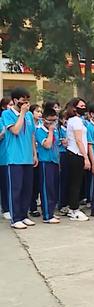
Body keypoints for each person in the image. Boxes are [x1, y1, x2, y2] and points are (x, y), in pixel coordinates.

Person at [1, 87, 38, 229]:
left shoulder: (29, 116)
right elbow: (15, 130)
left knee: (27, 188)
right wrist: (22, 114)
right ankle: (15, 218)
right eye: (23, 101)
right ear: (15, 100)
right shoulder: (7, 114)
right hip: (14, 158)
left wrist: (34, 154)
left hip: (28, 157)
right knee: (15, 189)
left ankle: (24, 215)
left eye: (28, 100)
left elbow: (32, 135)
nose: (26, 104)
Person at [64, 97, 90, 221]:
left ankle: (73, 207)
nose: (83, 108)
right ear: (74, 108)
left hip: (76, 153)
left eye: (84, 105)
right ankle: (74, 209)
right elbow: (79, 140)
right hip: (76, 154)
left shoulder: (78, 120)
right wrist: (86, 158)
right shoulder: (75, 121)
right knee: (75, 183)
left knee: (77, 182)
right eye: (81, 106)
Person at [35, 106, 60, 223]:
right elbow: (47, 145)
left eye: (55, 120)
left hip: (54, 161)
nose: (53, 123)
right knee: (46, 188)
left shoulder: (55, 130)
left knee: (54, 188)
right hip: (45, 162)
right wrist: (50, 131)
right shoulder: (40, 131)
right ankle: (46, 215)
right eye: (50, 121)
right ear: (44, 119)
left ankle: (51, 211)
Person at [28, 103, 43, 218]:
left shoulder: (42, 125)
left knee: (39, 183)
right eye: (37, 111)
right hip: (31, 156)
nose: (40, 114)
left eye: (40, 112)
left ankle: (40, 205)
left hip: (41, 156)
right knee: (31, 183)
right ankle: (32, 207)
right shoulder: (29, 124)